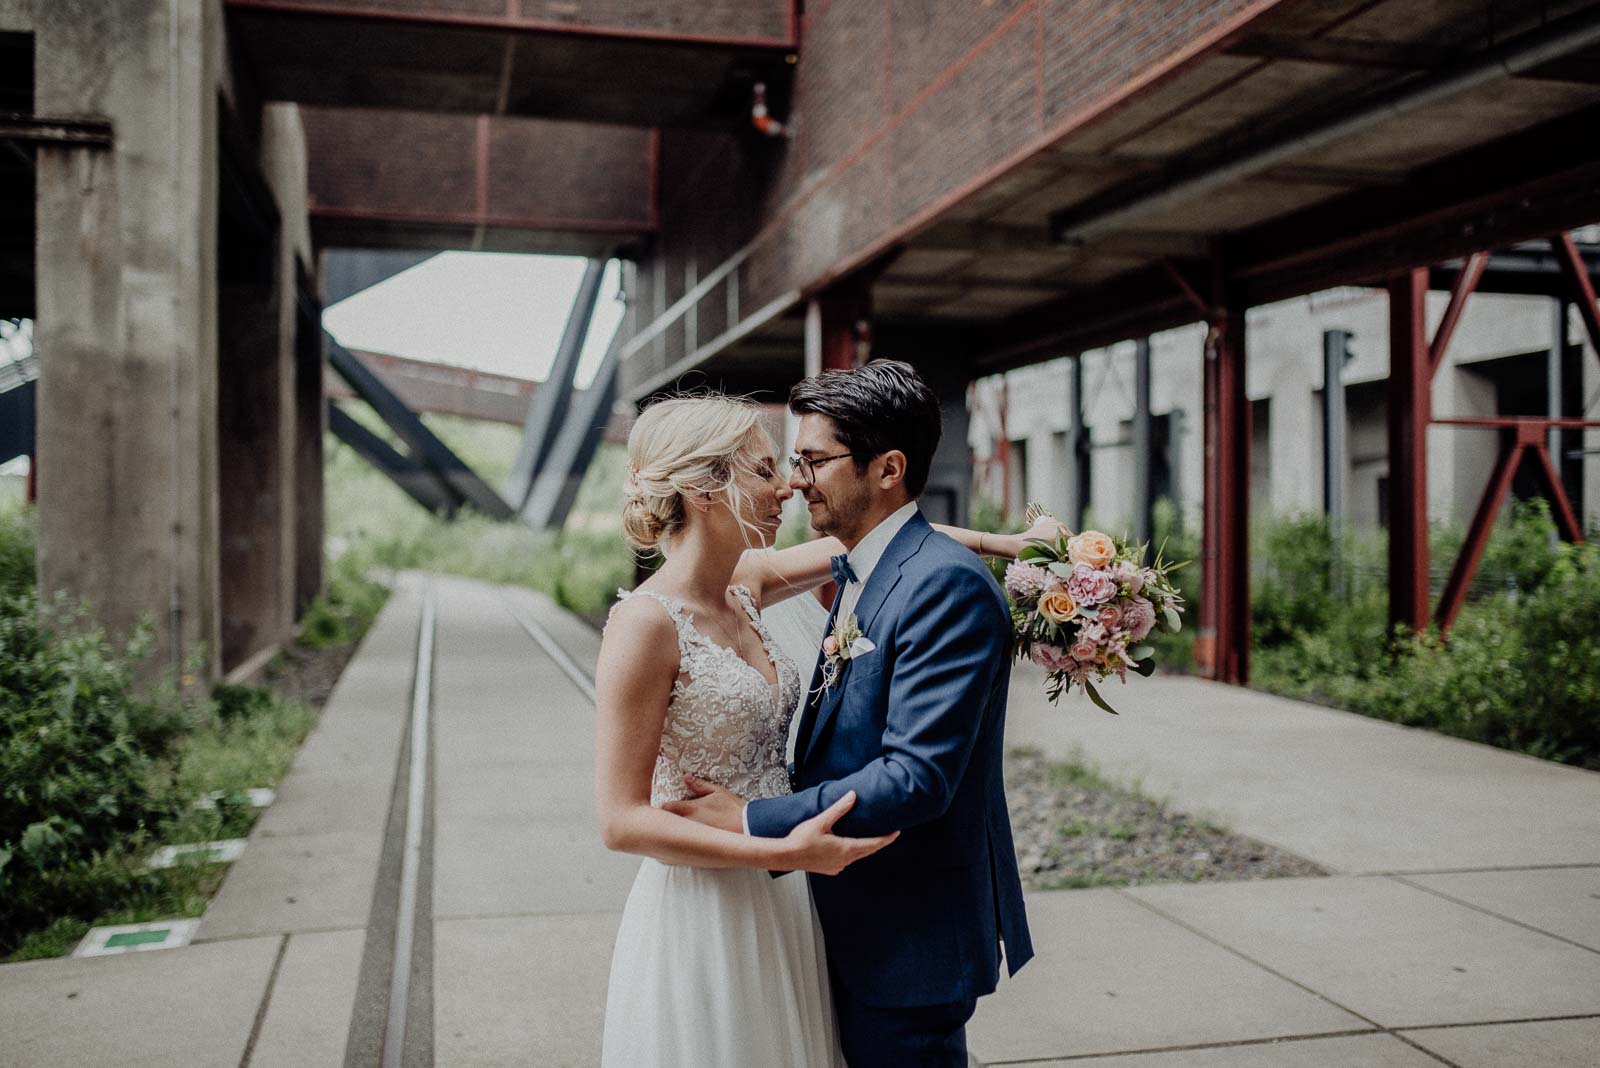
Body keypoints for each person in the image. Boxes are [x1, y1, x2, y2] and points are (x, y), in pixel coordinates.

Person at [595, 387, 1053, 1066]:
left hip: (793, 898)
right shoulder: (646, 625)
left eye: (793, 466)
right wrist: (779, 850)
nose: (787, 487)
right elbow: (620, 821)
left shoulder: (745, 583)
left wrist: (1012, 548)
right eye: (764, 470)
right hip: (711, 903)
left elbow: (897, 545)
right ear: (706, 489)